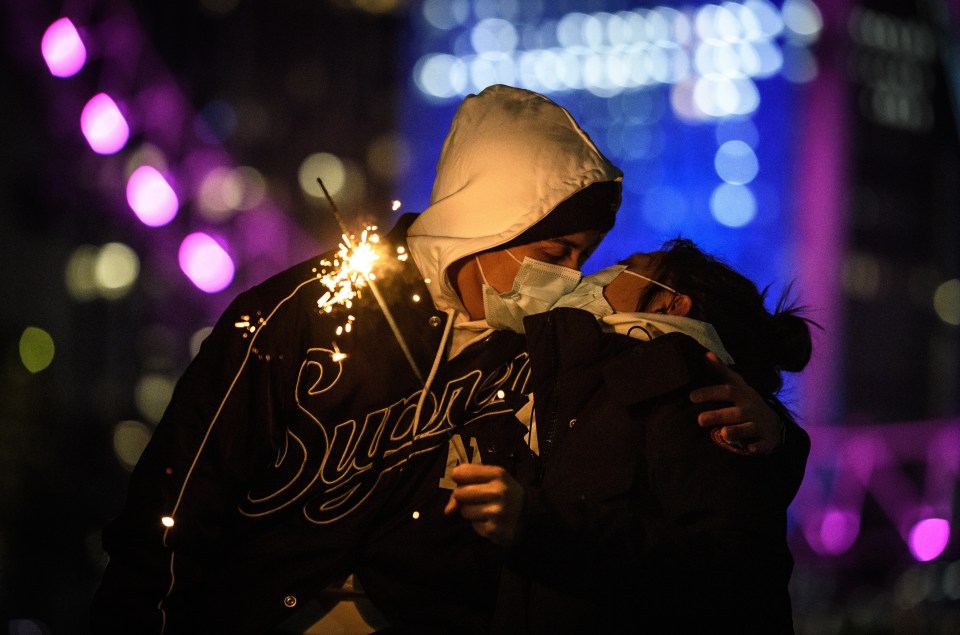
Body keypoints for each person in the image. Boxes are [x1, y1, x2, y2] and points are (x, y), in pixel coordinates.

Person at [91, 85, 789, 634]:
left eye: (584, 256)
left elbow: (681, 446)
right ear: (492, 219)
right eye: (555, 254)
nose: (574, 275)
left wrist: (780, 437)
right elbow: (175, 505)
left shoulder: (559, 342)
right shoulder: (300, 312)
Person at [444, 238, 815, 633]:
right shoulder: (592, 390)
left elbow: (729, 573)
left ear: (672, 303)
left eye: (624, 264)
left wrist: (534, 523)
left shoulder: (695, 397)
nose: (595, 274)